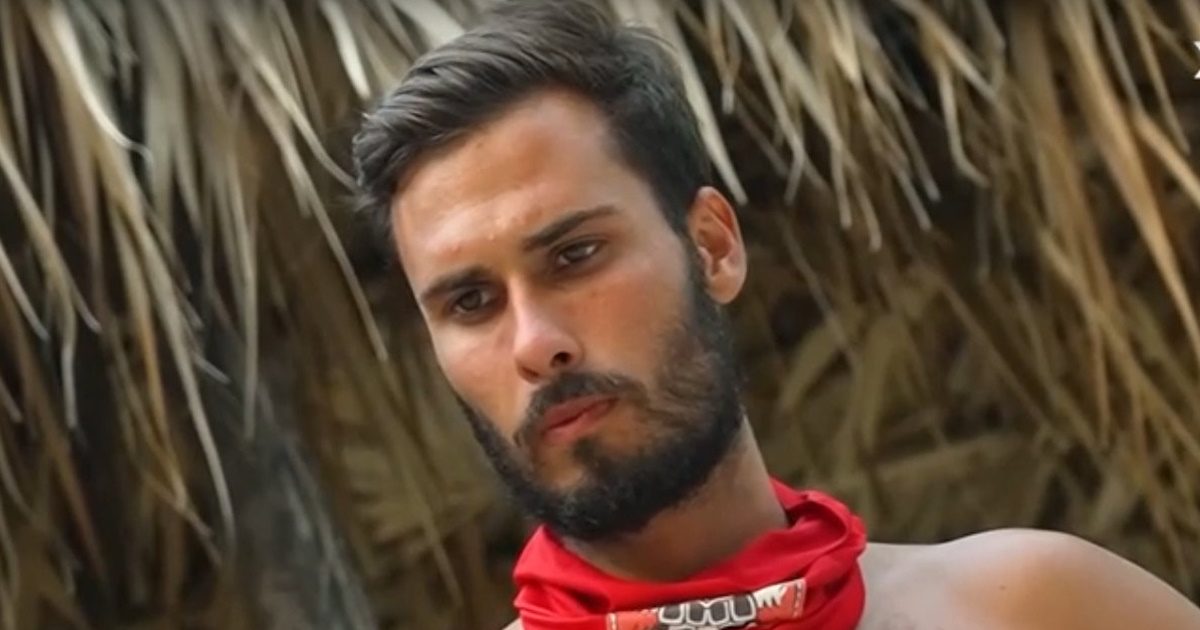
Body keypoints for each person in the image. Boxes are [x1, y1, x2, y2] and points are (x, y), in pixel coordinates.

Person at [351, 1, 1200, 628]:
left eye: (574, 256)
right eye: (471, 302)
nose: (536, 343)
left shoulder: (1035, 608)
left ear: (713, 248)